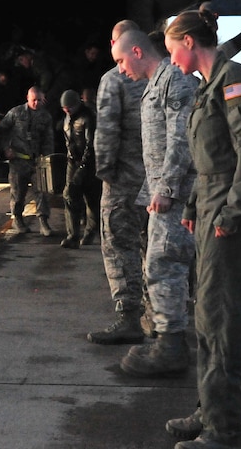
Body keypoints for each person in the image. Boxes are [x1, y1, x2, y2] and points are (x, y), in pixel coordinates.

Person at [163, 3, 241, 449]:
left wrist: (232, 212)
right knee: (205, 316)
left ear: (188, 42)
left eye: (171, 51)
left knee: (222, 320)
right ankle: (209, 412)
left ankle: (226, 434)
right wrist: (192, 204)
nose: (171, 61)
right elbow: (209, 160)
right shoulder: (208, 88)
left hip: (229, 217)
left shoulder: (234, 79)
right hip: (208, 208)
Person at [110, 28, 198, 377]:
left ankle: (171, 347)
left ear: (136, 51)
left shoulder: (173, 81)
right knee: (163, 265)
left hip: (176, 194)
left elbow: (182, 139)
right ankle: (169, 339)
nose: (120, 69)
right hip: (164, 191)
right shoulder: (157, 83)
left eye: (120, 60)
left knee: (165, 266)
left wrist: (167, 188)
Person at [86, 19, 149, 345]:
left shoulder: (114, 79)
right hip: (157, 179)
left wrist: (105, 173)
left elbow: (107, 130)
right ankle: (159, 316)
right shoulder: (163, 75)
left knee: (118, 245)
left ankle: (128, 318)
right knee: (152, 247)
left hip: (124, 178)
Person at [0, 86, 55, 236]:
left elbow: (48, 139)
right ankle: (18, 219)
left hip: (37, 161)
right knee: (18, 192)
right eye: (33, 100)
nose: (36, 103)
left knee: (42, 192)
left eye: (39, 100)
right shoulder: (16, 113)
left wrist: (47, 159)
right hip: (18, 161)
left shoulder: (45, 117)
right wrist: (5, 149)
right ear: (27, 98)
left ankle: (43, 221)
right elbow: (0, 132)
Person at [58, 89, 100, 249]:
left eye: (69, 107)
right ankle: (73, 235)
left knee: (91, 200)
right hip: (73, 161)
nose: (67, 110)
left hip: (88, 164)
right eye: (64, 108)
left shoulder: (88, 118)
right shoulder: (67, 118)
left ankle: (90, 232)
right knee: (69, 195)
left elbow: (91, 145)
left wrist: (83, 167)